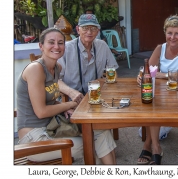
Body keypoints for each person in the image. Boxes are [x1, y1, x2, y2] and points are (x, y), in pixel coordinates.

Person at [57, 14, 118, 164]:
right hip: (73, 101)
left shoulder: (102, 46)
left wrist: (107, 80)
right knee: (101, 129)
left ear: (98, 31)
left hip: (97, 98)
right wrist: (71, 92)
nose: (89, 32)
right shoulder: (67, 49)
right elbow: (54, 80)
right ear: (78, 29)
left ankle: (100, 154)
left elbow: (112, 70)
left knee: (118, 110)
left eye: (93, 28)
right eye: (85, 28)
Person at [136, 15, 178, 165]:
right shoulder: (160, 48)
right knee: (150, 104)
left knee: (151, 116)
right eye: (169, 33)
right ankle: (156, 148)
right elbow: (147, 70)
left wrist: (160, 75)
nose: (173, 37)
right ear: (165, 33)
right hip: (162, 95)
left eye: (177, 33)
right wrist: (141, 75)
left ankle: (147, 145)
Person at [16, 28, 81, 162]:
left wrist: (64, 107)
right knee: (90, 143)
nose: (56, 46)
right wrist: (72, 104)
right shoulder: (35, 69)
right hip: (33, 139)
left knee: (99, 134)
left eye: (61, 43)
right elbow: (41, 111)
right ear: (41, 46)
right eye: (51, 42)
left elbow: (49, 100)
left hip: (51, 128)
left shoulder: (57, 68)